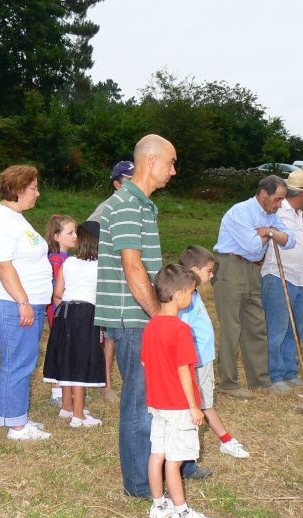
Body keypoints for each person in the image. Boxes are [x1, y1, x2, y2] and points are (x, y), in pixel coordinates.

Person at [94, 134, 207, 499]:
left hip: (142, 318)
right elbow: (133, 267)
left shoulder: (141, 205)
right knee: (141, 402)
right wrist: (159, 316)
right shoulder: (127, 205)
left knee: (158, 396)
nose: (174, 171)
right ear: (151, 161)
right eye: (171, 163)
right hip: (134, 320)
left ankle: (171, 466)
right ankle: (141, 484)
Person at [0, 165, 53, 441]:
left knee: (17, 359)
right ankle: (17, 426)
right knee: (19, 361)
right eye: (34, 188)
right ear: (20, 190)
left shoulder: (15, 217)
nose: (38, 193)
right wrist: (23, 301)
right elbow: (2, 265)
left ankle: (8, 411)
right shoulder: (1, 220)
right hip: (11, 302)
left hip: (21, 301)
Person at [143, 264, 217, 518]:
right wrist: (194, 406)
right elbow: (184, 370)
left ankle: (158, 505)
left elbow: (145, 363)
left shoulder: (151, 325)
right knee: (175, 462)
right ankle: (181, 514)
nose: (193, 297)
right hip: (177, 405)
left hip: (157, 404)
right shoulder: (180, 329)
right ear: (177, 296)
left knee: (157, 454)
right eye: (192, 293)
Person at [212, 175, 295, 399]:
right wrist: (270, 232)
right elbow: (250, 245)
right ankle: (228, 383)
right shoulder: (241, 212)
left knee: (256, 325)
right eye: (277, 199)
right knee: (232, 328)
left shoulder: (270, 215)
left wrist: (266, 232)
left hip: (252, 270)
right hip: (230, 266)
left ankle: (259, 380)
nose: (279, 205)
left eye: (282, 200)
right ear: (263, 194)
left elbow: (290, 240)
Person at [178, 245, 249, 459]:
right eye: (209, 271)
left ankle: (224, 440)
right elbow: (182, 333)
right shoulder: (185, 301)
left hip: (203, 361)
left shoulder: (193, 295)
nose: (211, 275)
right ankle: (225, 440)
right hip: (195, 363)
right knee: (203, 404)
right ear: (193, 269)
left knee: (204, 403)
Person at [43, 221, 105, 428]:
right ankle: (78, 415)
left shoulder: (68, 263)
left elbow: (58, 293)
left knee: (67, 359)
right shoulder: (100, 266)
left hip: (65, 313)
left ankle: (67, 406)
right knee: (81, 363)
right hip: (86, 314)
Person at [260, 170, 303, 392]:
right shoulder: (277, 212)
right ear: (300, 194)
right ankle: (275, 376)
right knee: (277, 328)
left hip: (299, 278)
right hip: (278, 276)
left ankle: (290, 371)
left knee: (295, 329)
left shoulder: (298, 214)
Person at [88, 161, 134, 405]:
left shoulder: (138, 206)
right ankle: (106, 385)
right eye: (128, 180)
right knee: (110, 334)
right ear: (117, 184)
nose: (133, 184)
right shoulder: (108, 207)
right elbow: (86, 233)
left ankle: (131, 383)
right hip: (112, 278)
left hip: (131, 279)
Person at [43, 214, 77, 407]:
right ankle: (57, 390)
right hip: (58, 310)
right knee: (60, 346)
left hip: (65, 309)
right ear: (57, 237)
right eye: (70, 232)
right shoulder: (56, 260)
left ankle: (68, 388)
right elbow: (57, 289)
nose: (75, 236)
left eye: (75, 232)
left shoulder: (67, 258)